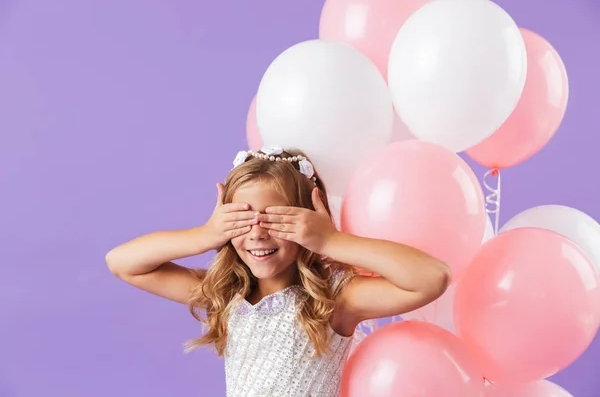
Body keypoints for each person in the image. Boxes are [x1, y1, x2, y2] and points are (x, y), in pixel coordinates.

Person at [105, 145, 451, 397]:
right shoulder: (225, 296)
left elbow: (431, 278)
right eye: (242, 218)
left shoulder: (334, 299)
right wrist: (205, 235)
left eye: (276, 219)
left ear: (306, 221)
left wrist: (330, 240)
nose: (257, 233)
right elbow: (122, 263)